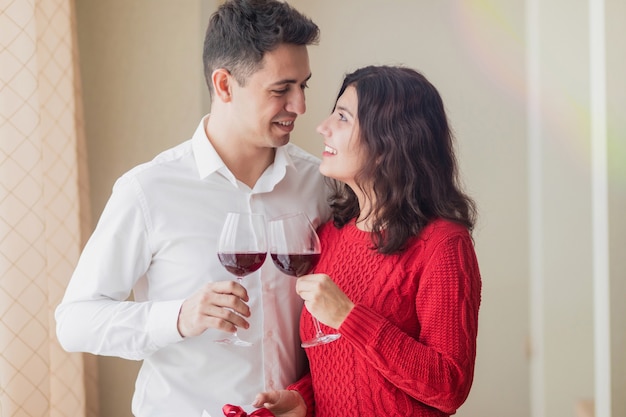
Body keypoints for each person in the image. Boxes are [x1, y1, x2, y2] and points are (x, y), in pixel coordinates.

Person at [55, 1, 330, 416]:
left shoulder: (320, 184)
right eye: (281, 89)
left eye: (303, 86)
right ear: (223, 85)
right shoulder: (149, 190)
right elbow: (74, 322)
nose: (300, 106)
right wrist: (179, 317)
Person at [253, 65, 482, 417]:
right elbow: (345, 370)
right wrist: (302, 399)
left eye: (343, 118)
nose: (322, 127)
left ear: (389, 141)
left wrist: (348, 316)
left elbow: (449, 386)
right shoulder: (330, 235)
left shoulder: (443, 244)